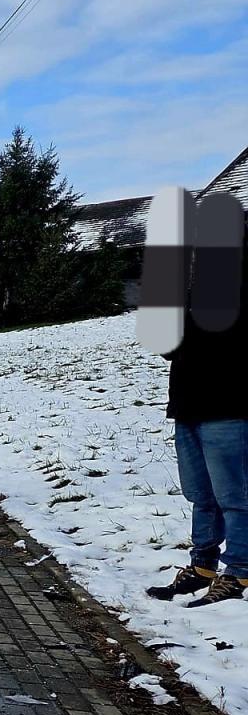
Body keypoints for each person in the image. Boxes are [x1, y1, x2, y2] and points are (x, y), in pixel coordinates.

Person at [147, 216, 248, 607]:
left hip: (229, 408)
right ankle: (203, 566)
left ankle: (238, 571)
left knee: (235, 496)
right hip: (188, 407)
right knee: (201, 494)